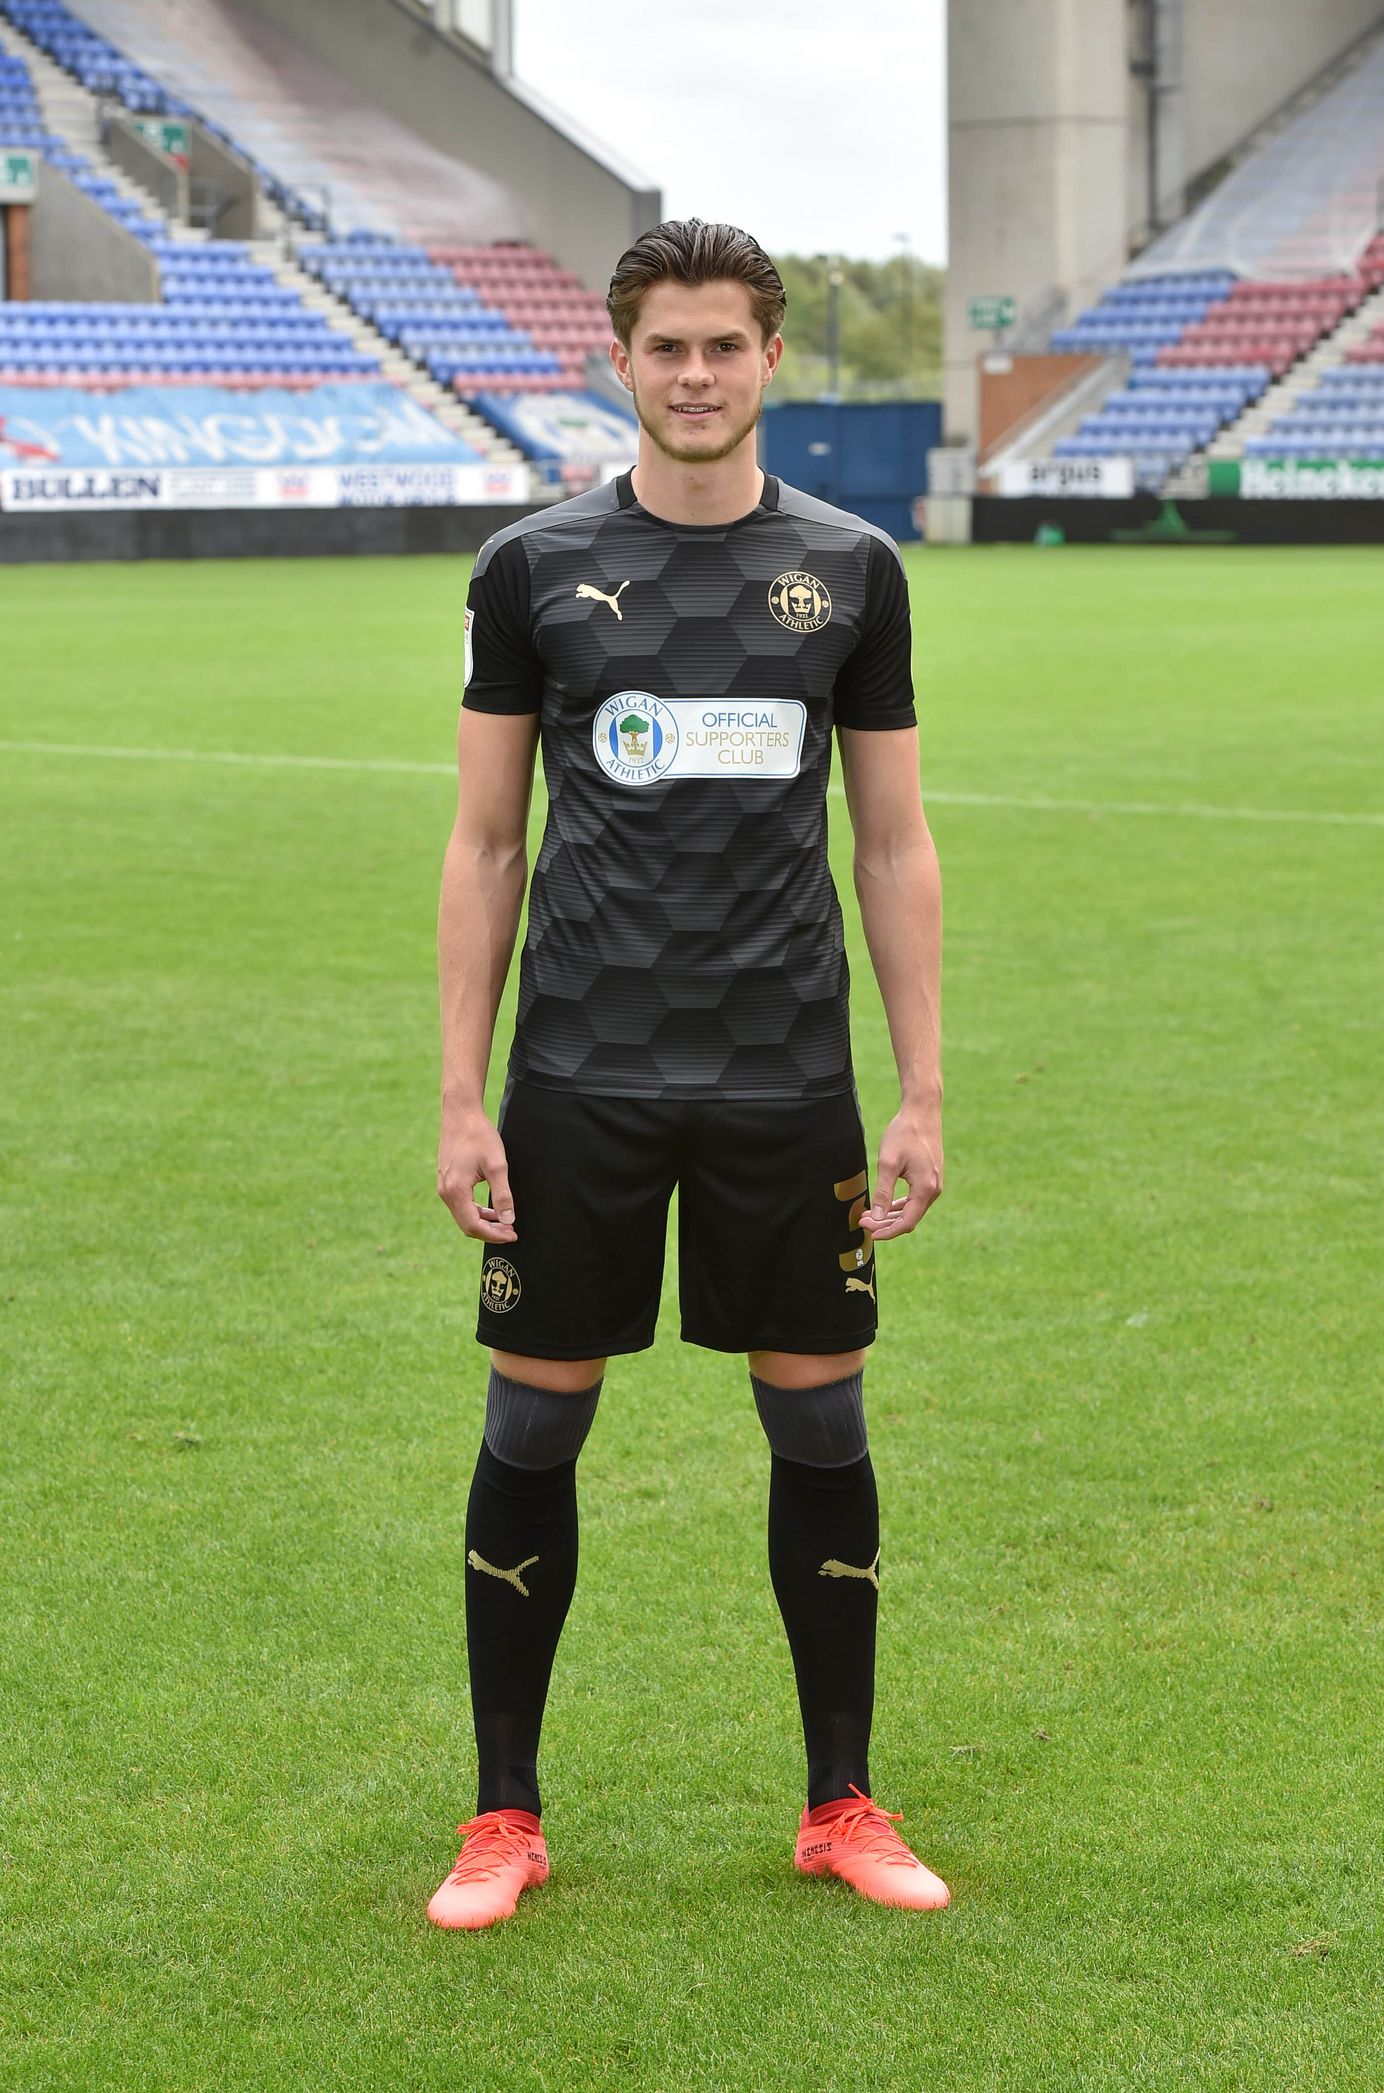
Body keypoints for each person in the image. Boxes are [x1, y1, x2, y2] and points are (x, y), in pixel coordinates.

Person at [430, 219, 946, 1931]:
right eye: (669, 346)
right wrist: (461, 1093)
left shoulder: (854, 569)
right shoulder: (531, 568)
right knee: (532, 1421)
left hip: (784, 1074)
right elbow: (486, 840)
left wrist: (921, 1087)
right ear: (623, 360)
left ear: (772, 356)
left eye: (727, 344)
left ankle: (842, 1801)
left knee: (821, 1419)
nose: (699, 373)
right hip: (580, 1072)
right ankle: (503, 1815)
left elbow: (893, 844)